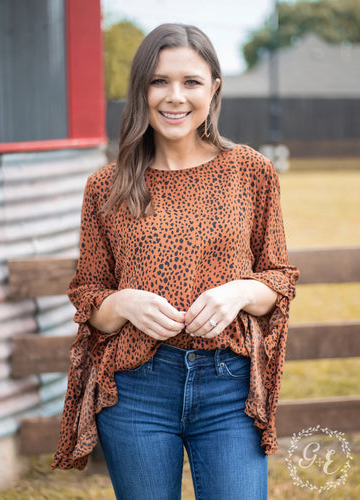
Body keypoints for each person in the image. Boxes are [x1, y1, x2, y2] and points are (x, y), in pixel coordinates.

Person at [52, 23, 299, 500]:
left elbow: (277, 278)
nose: (174, 97)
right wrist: (123, 302)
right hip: (136, 390)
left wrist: (240, 291)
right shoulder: (106, 187)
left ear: (215, 88)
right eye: (159, 81)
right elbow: (89, 299)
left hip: (229, 388)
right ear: (141, 89)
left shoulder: (251, 172)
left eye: (191, 82)